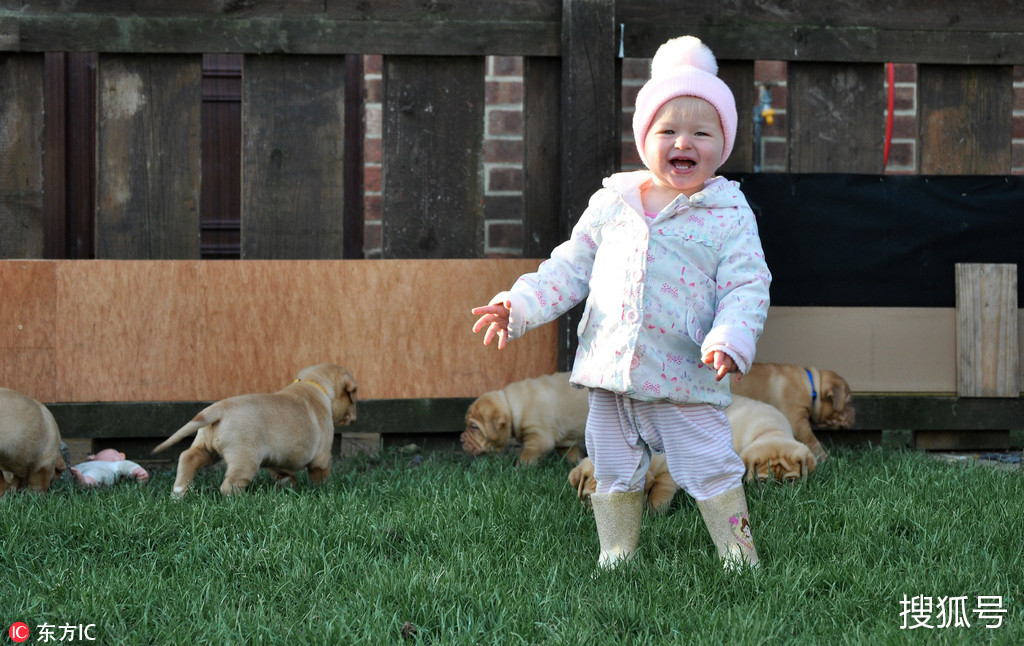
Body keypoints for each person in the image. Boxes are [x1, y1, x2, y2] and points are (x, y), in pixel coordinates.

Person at [471, 36, 771, 570]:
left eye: (702, 132)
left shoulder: (728, 214)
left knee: (708, 463)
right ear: (644, 139)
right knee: (611, 464)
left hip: (684, 372)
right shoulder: (613, 204)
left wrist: (732, 337)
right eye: (669, 130)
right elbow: (568, 266)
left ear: (721, 144)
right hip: (610, 372)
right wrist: (516, 306)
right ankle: (617, 553)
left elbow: (747, 287)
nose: (684, 141)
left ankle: (738, 553)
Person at [71, 448, 150, 487]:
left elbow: (128, 466)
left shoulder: (116, 464)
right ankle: (78, 477)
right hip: (79, 468)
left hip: (100, 470)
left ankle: (84, 482)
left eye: (116, 454)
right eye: (114, 452)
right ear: (92, 457)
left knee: (94, 474)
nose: (118, 455)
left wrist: (139, 471)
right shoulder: (87, 463)